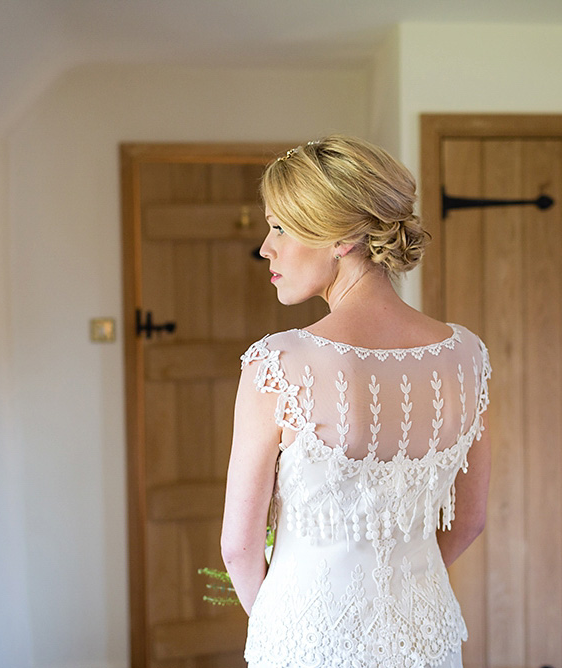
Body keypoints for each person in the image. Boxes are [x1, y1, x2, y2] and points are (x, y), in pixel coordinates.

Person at [220, 135, 491, 668]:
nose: (264, 247)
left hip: (309, 637)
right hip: (423, 635)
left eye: (279, 227)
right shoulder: (468, 354)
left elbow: (238, 546)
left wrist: (282, 626)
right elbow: (471, 520)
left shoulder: (277, 365)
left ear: (341, 236)